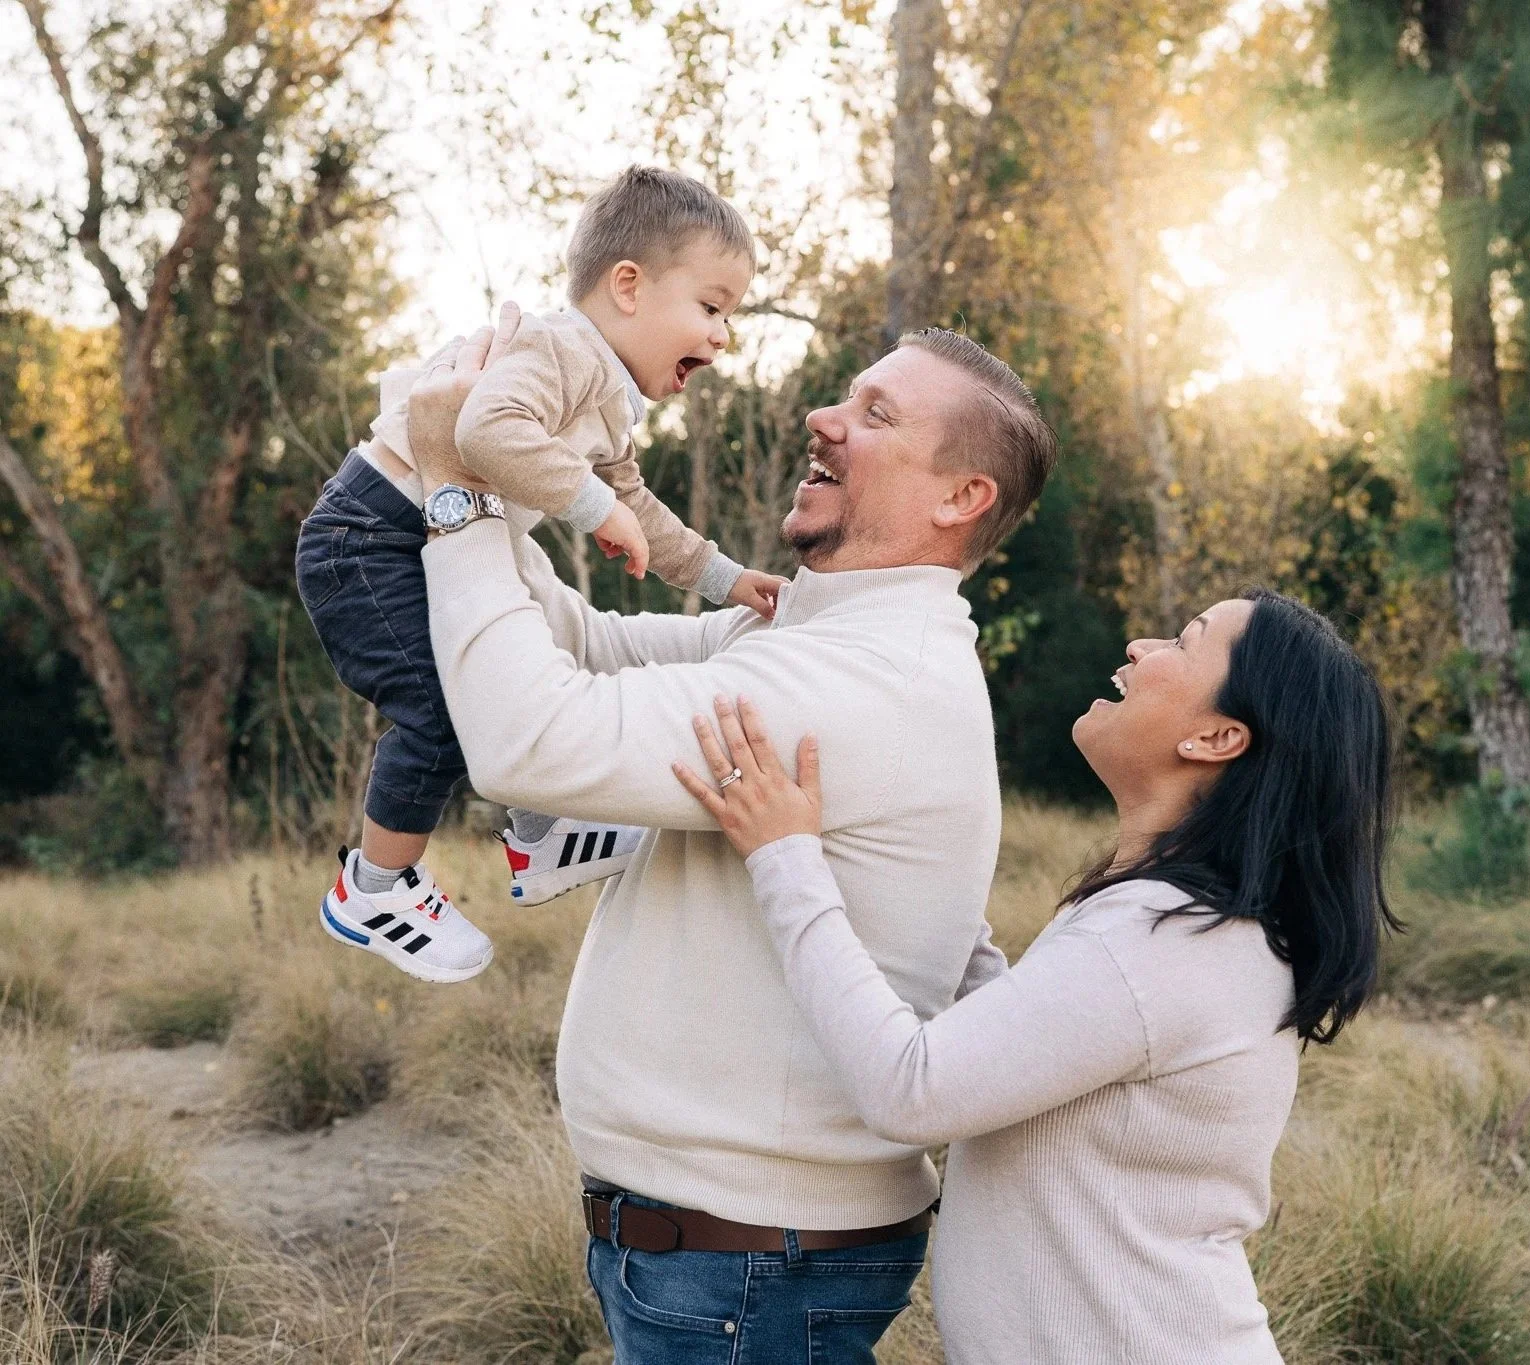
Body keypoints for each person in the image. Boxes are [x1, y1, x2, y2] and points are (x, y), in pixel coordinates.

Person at [405, 311, 1059, 1362]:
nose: (822, 417)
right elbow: (580, 643)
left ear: (958, 496)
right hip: (728, 1258)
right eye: (846, 395)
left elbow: (528, 737)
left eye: (873, 414)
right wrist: (485, 465)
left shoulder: (858, 680)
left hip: (747, 1272)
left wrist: (453, 498)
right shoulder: (811, 633)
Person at [679, 589, 1399, 1364]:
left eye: (1184, 644)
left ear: (1217, 736)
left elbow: (911, 1087)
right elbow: (1028, 1046)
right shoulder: (1184, 925)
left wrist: (786, 859)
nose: (1141, 646)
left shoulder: (1165, 940)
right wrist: (928, 882)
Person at [294, 167, 787, 983]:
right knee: (441, 713)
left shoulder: (605, 398)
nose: (724, 334)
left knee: (504, 667)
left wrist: (729, 580)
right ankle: (372, 888)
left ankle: (538, 834)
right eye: (710, 307)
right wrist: (596, 507)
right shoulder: (560, 347)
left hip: (402, 536)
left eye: (729, 314)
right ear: (627, 285)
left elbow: (644, 514)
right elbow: (486, 428)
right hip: (366, 537)